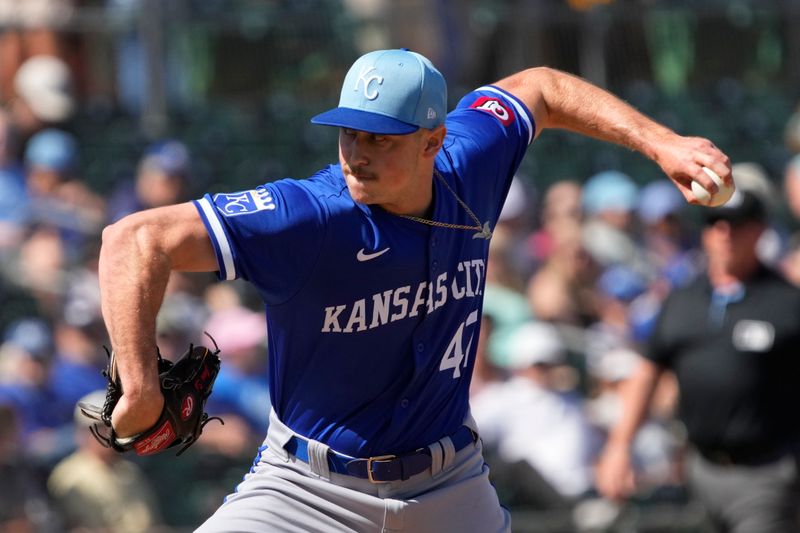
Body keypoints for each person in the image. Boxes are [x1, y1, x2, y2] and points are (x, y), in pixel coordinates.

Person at [97, 48, 730, 532]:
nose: (357, 154)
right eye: (349, 132)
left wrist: (661, 142)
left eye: (380, 137)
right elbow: (133, 239)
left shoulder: (474, 157)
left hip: (448, 485)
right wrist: (141, 379)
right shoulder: (310, 216)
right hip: (307, 490)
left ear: (434, 141)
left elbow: (543, 87)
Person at [596, 189, 800, 532]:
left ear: (759, 230)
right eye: (716, 224)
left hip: (767, 472)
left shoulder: (786, 302)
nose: (725, 234)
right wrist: (619, 446)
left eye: (737, 224)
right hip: (699, 469)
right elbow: (647, 371)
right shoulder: (683, 300)